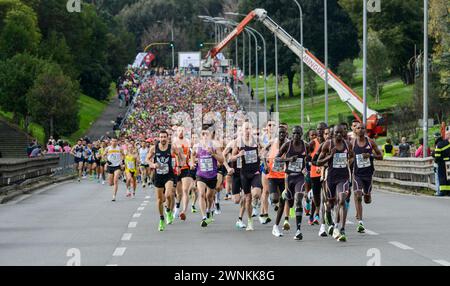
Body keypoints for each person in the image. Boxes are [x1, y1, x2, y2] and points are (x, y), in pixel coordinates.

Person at [317, 125, 354, 242]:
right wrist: (330, 156)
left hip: (343, 178)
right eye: (336, 132)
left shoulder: (348, 144)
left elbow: (352, 156)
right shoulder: (328, 144)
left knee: (342, 200)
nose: (339, 135)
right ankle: (328, 215)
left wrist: (348, 162)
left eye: (341, 133)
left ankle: (340, 228)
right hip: (331, 178)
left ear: (344, 133)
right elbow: (318, 161)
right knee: (329, 204)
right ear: (333, 134)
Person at [273, 126, 309, 240]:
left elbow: (309, 158)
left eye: (298, 133)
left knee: (298, 199)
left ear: (301, 134)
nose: (296, 136)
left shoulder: (305, 146)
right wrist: (288, 160)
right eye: (294, 133)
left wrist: (306, 168)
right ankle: (275, 226)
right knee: (287, 201)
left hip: (300, 178)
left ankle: (298, 230)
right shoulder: (287, 145)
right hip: (289, 178)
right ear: (291, 134)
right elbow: (276, 159)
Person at [147, 130, 182, 231]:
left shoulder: (172, 148)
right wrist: (152, 164)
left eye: (164, 137)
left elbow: (179, 155)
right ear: (159, 138)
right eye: (161, 137)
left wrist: (179, 166)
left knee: (168, 194)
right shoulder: (154, 148)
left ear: (167, 138)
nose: (163, 139)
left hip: (169, 175)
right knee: (159, 200)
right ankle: (162, 219)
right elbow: (147, 159)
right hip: (158, 176)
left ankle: (168, 211)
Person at [351, 122, 383, 233]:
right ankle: (360, 222)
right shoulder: (352, 143)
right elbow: (347, 155)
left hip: (368, 174)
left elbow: (381, 156)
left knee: (367, 199)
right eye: (358, 128)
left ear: (365, 130)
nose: (360, 130)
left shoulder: (370, 142)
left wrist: (371, 155)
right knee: (358, 195)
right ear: (355, 130)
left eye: (362, 128)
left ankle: (367, 194)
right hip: (357, 174)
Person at [232, 122, 263, 231]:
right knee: (247, 198)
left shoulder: (257, 140)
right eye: (246, 129)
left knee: (256, 193)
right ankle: (250, 221)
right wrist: (238, 155)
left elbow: (264, 149)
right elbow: (231, 158)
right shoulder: (238, 142)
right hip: (244, 174)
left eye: (249, 128)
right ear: (242, 130)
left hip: (255, 172)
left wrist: (261, 154)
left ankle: (256, 202)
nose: (248, 131)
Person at [191, 125, 224, 228]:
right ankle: (204, 217)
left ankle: (209, 210)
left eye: (207, 134)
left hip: (212, 175)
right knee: (201, 193)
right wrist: (192, 162)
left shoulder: (215, 146)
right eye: (203, 134)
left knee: (210, 196)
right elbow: (192, 155)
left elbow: (222, 160)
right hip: (201, 174)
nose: (205, 136)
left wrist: (213, 154)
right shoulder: (197, 146)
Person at [104, 138, 124, 202]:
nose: (114, 142)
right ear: (111, 142)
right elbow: (103, 155)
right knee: (110, 183)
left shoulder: (120, 148)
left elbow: (123, 155)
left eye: (115, 141)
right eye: (113, 141)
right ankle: (112, 182)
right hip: (110, 166)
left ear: (117, 142)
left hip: (117, 166)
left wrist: (122, 162)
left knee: (115, 181)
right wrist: (106, 162)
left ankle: (114, 196)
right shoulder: (107, 148)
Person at [434, 130, 450, 196]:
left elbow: (437, 156)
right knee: (448, 177)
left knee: (442, 177)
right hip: (448, 162)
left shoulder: (439, 145)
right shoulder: (447, 143)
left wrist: (436, 163)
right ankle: (448, 192)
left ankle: (442, 192)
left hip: (442, 163)